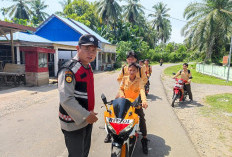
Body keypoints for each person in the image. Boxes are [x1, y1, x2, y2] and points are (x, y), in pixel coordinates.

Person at [58, 34, 99, 157]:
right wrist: (87, 115)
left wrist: (89, 113)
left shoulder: (87, 66)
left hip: (86, 119)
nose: (90, 53)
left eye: (93, 50)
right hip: (72, 122)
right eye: (87, 49)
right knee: (76, 154)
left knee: (84, 152)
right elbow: (66, 99)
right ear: (78, 48)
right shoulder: (69, 70)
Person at [119, 63, 149, 154]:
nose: (131, 72)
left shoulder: (139, 80)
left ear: (137, 71)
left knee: (142, 119)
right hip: (125, 104)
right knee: (118, 117)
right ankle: (113, 135)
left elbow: (142, 90)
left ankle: (144, 139)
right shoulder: (124, 79)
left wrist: (144, 100)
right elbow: (120, 89)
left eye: (134, 70)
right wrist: (122, 95)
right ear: (128, 70)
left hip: (136, 105)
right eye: (130, 70)